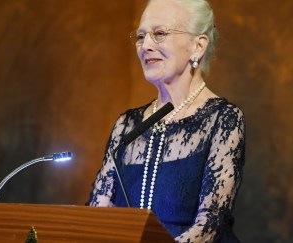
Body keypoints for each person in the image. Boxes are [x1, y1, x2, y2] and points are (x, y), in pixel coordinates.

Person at [86, 0, 245, 242]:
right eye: (141, 36)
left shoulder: (223, 120)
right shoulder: (126, 125)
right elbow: (96, 216)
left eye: (159, 34)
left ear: (198, 46)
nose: (145, 45)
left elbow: (209, 224)